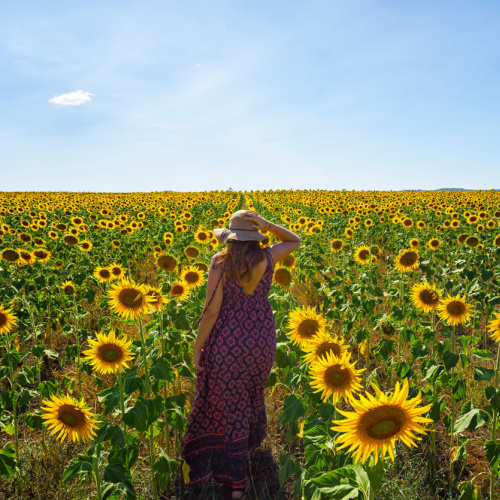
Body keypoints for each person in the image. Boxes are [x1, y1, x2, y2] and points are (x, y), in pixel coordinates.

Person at [181, 209, 301, 500]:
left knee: (231, 407)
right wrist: (269, 224)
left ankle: (236, 482)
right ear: (256, 234)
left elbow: (211, 311)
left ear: (230, 238)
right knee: (249, 397)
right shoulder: (268, 257)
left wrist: (197, 349)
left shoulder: (220, 262)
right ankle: (244, 455)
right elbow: (295, 240)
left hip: (228, 344)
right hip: (261, 341)